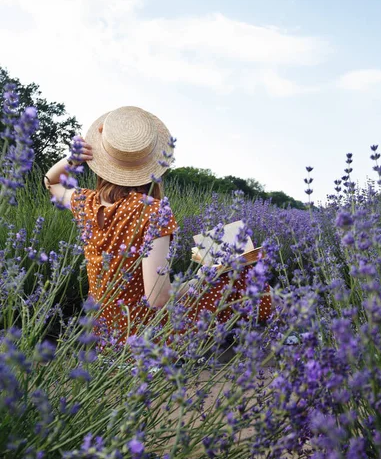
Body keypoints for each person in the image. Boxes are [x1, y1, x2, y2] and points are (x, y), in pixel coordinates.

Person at [44, 106, 272, 347]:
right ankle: (265, 339)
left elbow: (51, 182)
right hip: (144, 335)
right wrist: (203, 277)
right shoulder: (152, 211)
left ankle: (238, 339)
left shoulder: (86, 202)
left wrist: (72, 158)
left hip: (104, 333)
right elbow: (157, 298)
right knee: (244, 270)